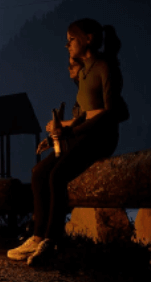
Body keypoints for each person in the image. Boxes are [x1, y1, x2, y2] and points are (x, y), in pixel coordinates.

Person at [9, 19, 129, 266]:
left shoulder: (104, 67)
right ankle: (37, 236)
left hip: (100, 138)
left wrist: (71, 132)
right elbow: (83, 115)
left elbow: (111, 112)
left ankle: (52, 241)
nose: (67, 45)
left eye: (71, 39)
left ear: (88, 39)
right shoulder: (83, 73)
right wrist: (57, 134)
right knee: (38, 173)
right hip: (80, 137)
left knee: (57, 175)